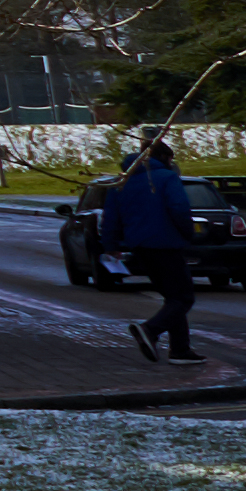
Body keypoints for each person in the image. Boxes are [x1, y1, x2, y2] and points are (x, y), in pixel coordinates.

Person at [95, 132, 209, 355]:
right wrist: (188, 235)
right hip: (166, 244)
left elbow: (111, 217)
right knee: (183, 298)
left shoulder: (122, 182)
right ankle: (150, 330)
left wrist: (111, 246)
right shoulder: (166, 178)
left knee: (172, 298)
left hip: (140, 246)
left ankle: (180, 351)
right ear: (165, 158)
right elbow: (179, 209)